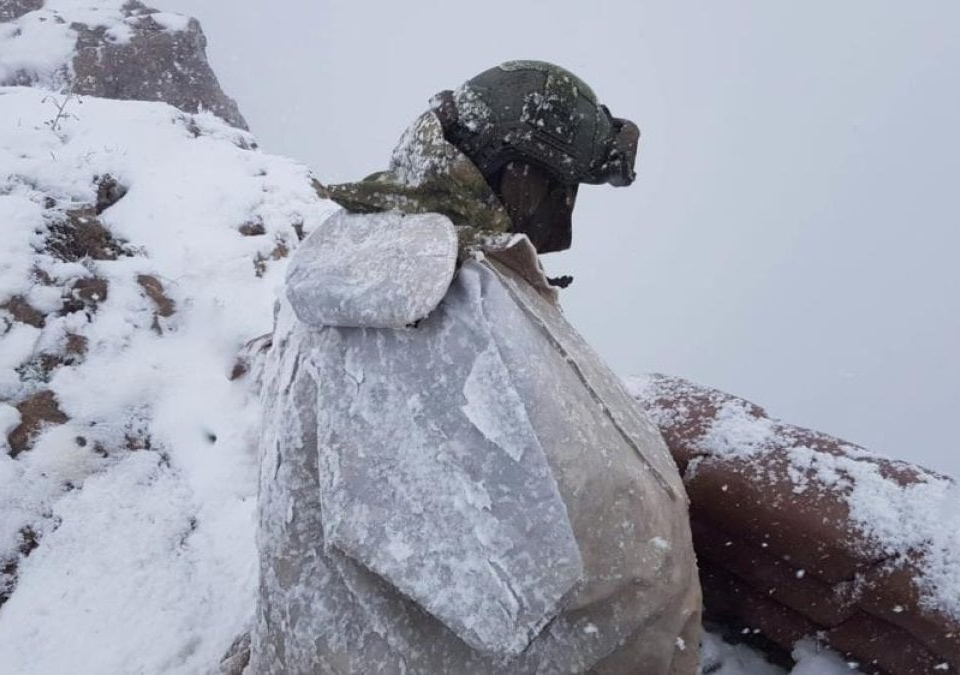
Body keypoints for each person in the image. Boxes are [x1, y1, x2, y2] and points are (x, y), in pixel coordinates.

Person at [253, 60, 701, 674]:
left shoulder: (375, 246)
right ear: (521, 180)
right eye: (562, 190)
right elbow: (497, 585)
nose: (564, 220)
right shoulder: (440, 300)